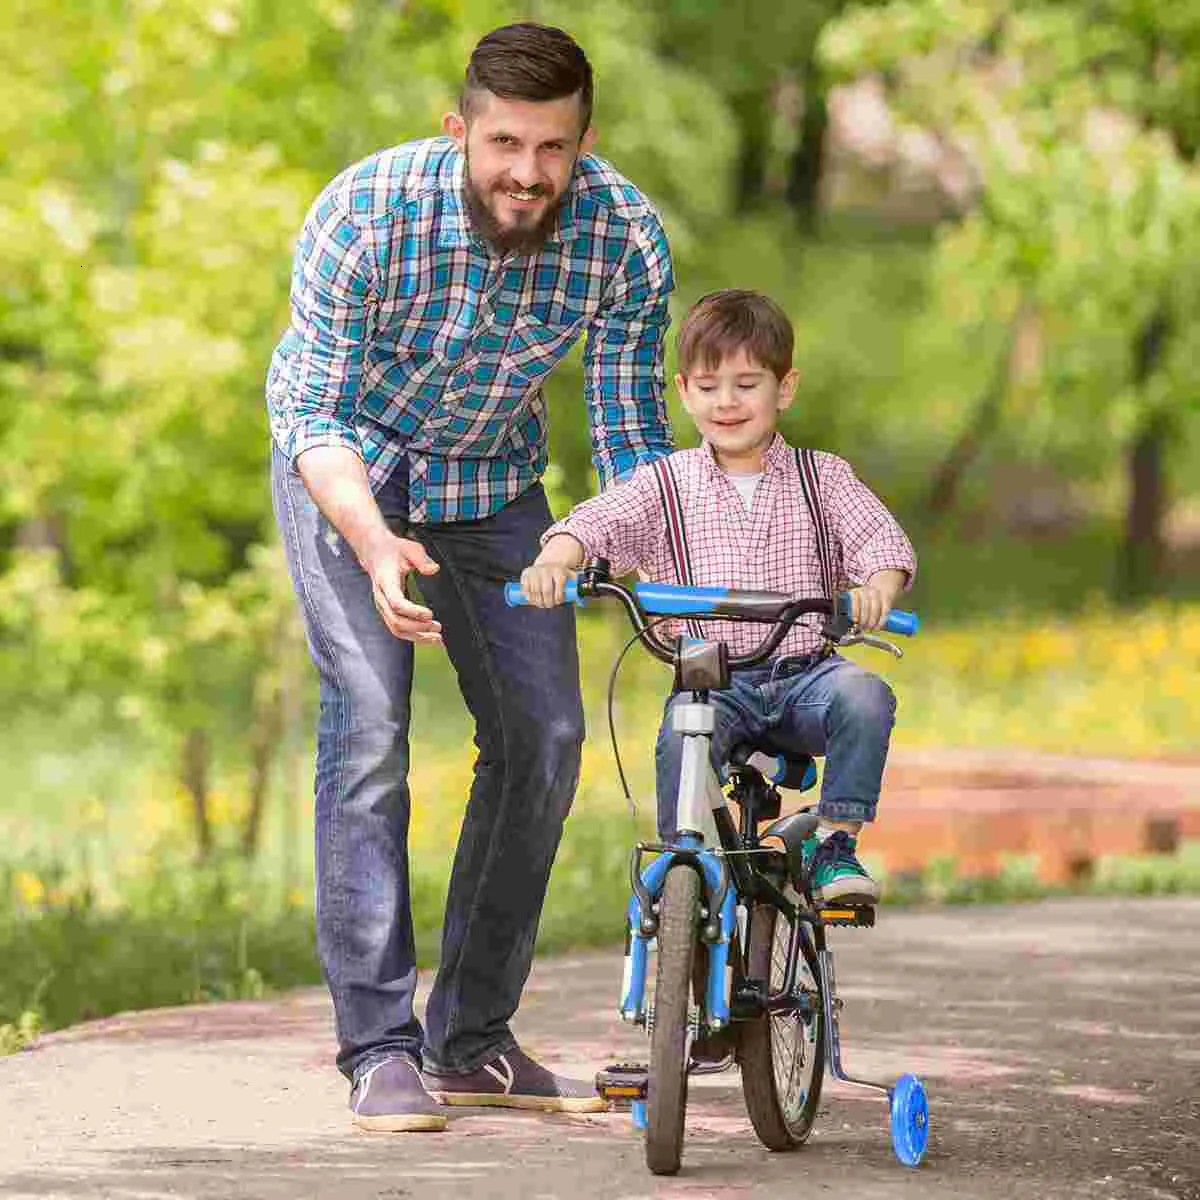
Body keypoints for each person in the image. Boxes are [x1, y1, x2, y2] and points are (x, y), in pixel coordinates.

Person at [266, 23, 674, 1133]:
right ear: (461, 131)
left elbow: (628, 428)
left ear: (584, 143)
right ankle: (379, 1048)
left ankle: (472, 1041)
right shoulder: (364, 213)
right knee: (369, 732)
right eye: (503, 143)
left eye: (552, 148)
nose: (526, 173)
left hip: (495, 484)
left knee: (544, 737)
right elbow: (310, 410)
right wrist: (369, 537)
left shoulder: (625, 237)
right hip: (354, 467)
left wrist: (641, 554)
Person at [520, 289, 916, 904]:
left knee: (865, 696)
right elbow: (599, 522)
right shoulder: (665, 484)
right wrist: (556, 560)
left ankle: (834, 843)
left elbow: (881, 545)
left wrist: (875, 590)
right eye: (708, 387)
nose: (726, 402)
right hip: (714, 683)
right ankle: (687, 868)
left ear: (784, 389)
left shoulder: (823, 478)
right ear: (684, 391)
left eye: (746, 384)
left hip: (806, 676)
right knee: (683, 731)